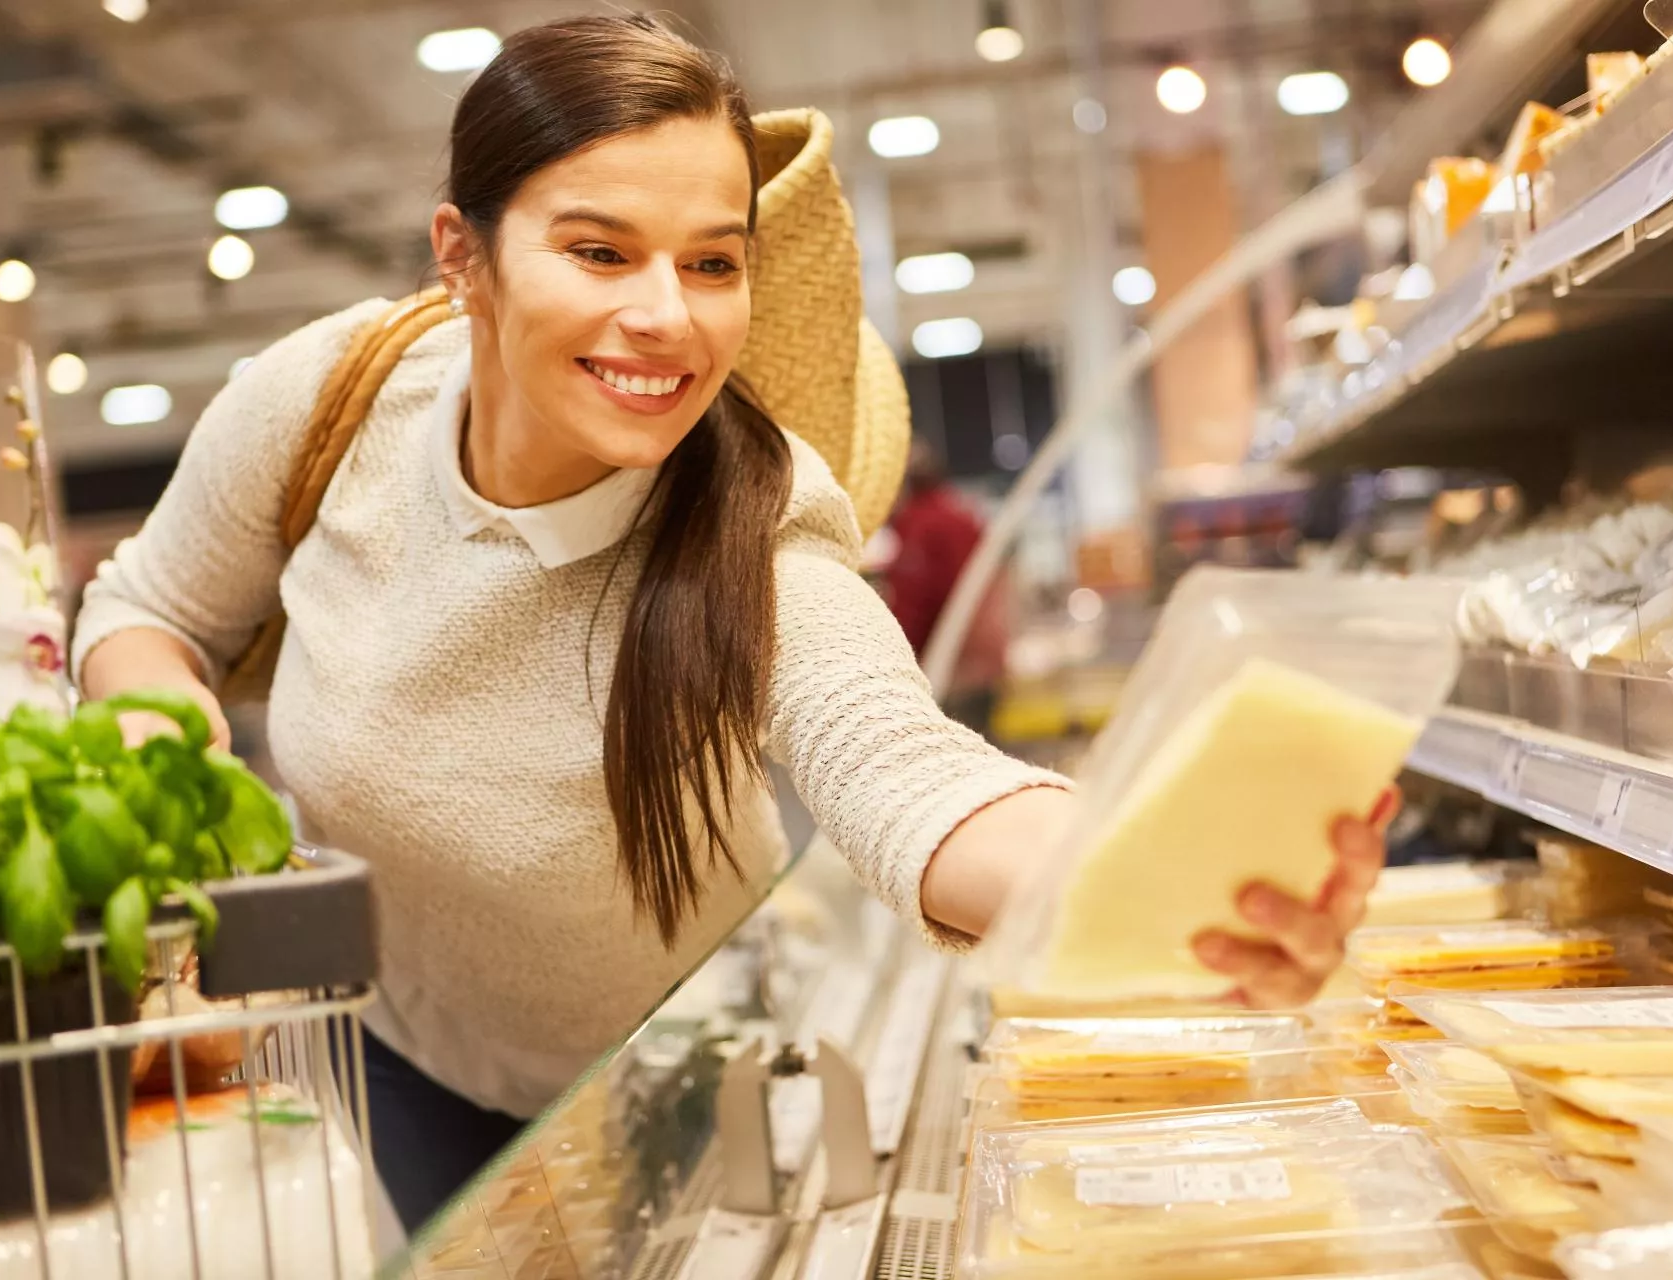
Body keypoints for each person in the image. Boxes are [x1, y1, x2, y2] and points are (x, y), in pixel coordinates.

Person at [72, 15, 1393, 1232]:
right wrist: (160, 730)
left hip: (680, 1067)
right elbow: (149, 607)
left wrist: (1144, 873)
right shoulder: (328, 401)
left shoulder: (753, 519)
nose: (667, 315)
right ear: (463, 255)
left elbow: (903, 771)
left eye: (713, 263)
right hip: (398, 1058)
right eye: (600, 251)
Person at [882, 440, 1006, 733]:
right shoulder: (962, 515)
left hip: (950, 675)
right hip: (980, 671)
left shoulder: (923, 526)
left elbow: (914, 606)